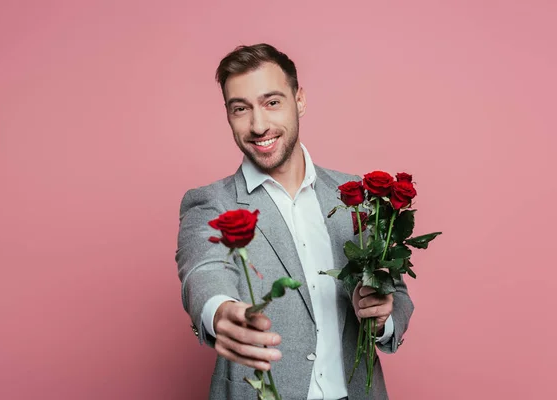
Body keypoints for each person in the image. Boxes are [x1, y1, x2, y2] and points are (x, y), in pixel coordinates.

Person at [176, 43, 414, 400]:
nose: (258, 125)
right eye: (240, 109)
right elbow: (203, 273)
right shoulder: (211, 203)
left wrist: (382, 317)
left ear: (299, 99)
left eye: (272, 103)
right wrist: (220, 313)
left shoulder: (357, 198)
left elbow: (396, 293)